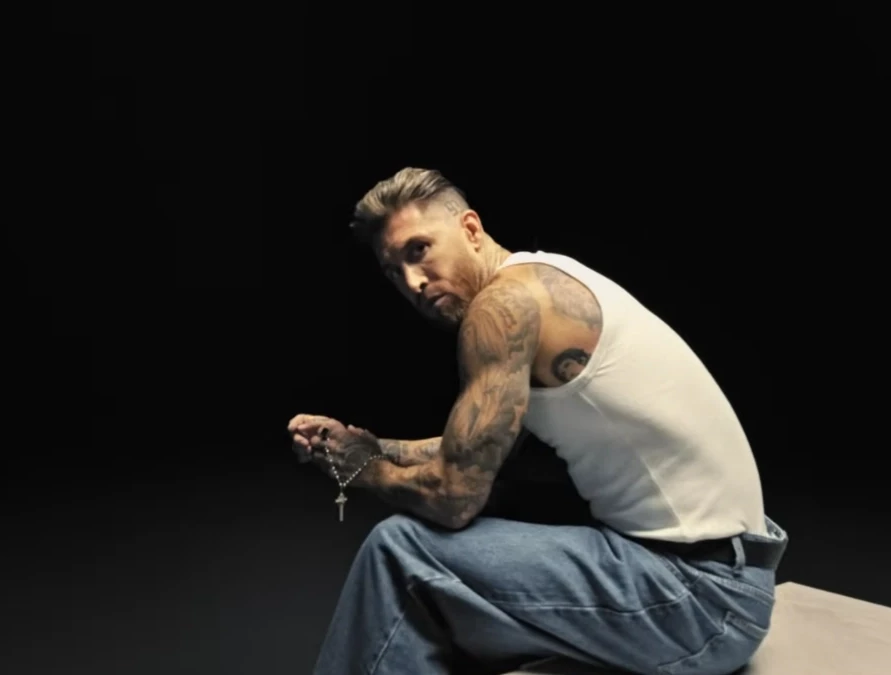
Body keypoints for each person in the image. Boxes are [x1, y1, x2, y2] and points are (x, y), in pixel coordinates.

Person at [287, 168, 788, 675]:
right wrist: (371, 445)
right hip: (730, 574)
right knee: (503, 507)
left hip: (700, 599)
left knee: (400, 549)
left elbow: (454, 496)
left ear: (470, 229)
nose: (413, 282)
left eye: (419, 250)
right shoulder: (542, 278)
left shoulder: (502, 308)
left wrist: (363, 470)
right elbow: (477, 449)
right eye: (394, 271)